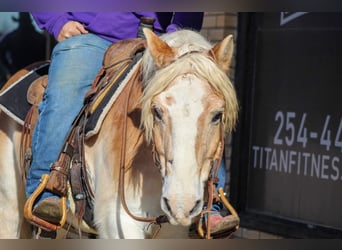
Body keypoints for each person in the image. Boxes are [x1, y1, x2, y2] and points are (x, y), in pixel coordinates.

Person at [26, 12, 234, 236]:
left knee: (201, 106)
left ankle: (211, 202)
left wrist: (173, 36)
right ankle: (47, 188)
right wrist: (58, 21)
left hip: (163, 40)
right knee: (66, 92)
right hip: (91, 37)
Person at [0, 13, 46, 77]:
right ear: (30, 22)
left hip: (17, 73)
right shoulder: (40, 38)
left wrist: (9, 69)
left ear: (19, 22)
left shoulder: (11, 37)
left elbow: (1, 53)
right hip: (37, 73)